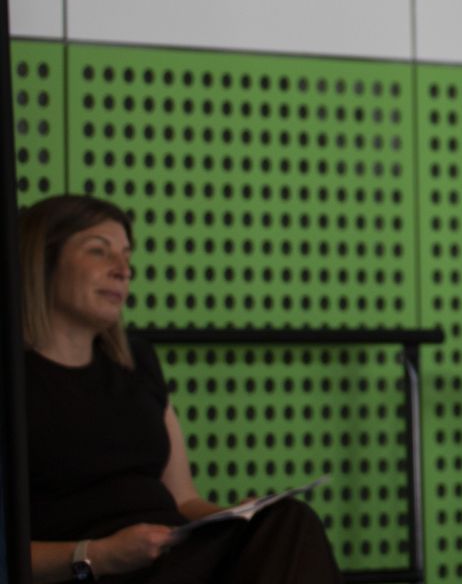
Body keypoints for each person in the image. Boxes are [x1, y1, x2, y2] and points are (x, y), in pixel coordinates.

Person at [18, 195, 341, 583]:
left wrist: (238, 516)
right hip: (97, 570)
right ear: (42, 261)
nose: (122, 270)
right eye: (98, 251)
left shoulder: (137, 363)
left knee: (287, 520)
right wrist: (99, 555)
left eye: (127, 256)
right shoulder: (15, 381)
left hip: (172, 557)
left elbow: (184, 500)